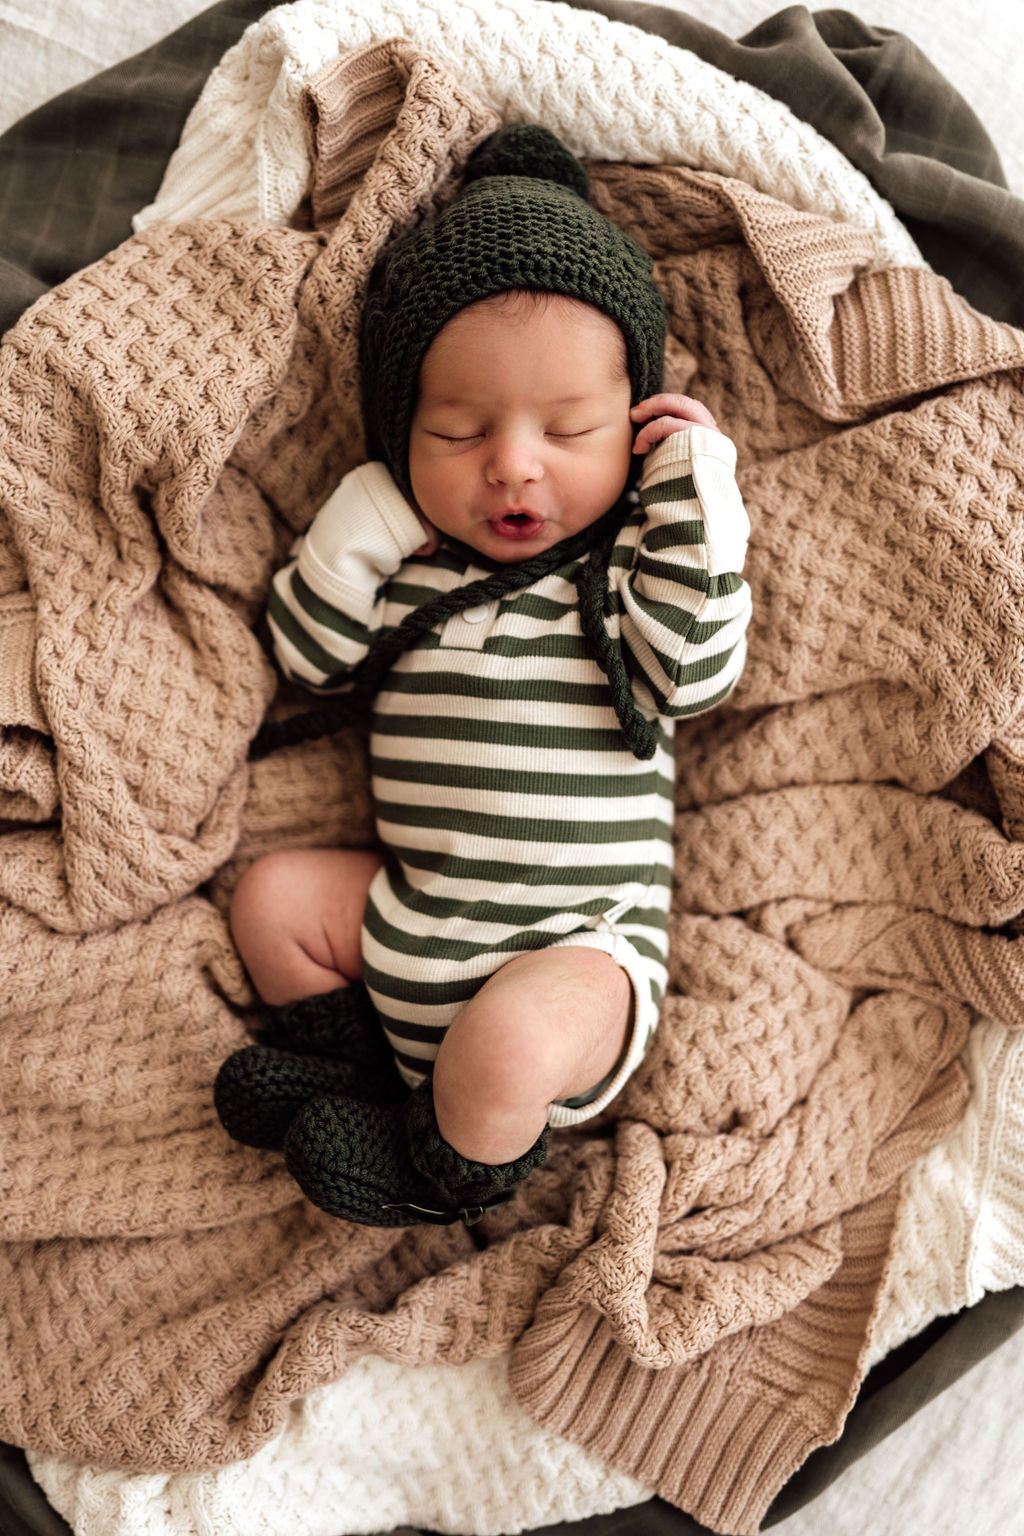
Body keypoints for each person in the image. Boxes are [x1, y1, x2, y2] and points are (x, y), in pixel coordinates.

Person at [214, 124, 752, 1227]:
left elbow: (693, 673)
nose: (512, 463)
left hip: (577, 959)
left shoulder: (624, 584)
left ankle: (444, 1173)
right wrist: (358, 528)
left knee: (505, 1044)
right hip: (414, 920)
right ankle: (363, 1080)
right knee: (272, 901)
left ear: (636, 428)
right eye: (457, 430)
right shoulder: (414, 575)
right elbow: (308, 655)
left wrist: (695, 499)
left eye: (570, 428)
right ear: (401, 431)